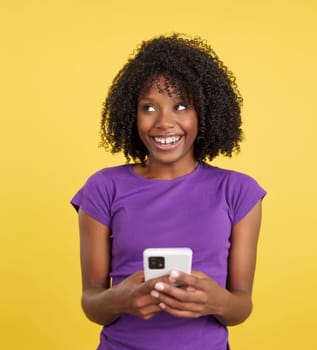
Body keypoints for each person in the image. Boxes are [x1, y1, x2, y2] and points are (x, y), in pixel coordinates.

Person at [71, 34, 266, 350]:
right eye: (149, 107)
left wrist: (216, 302)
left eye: (180, 106)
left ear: (203, 112)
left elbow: (241, 305)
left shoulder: (238, 192)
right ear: (131, 115)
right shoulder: (102, 189)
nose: (164, 122)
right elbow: (92, 302)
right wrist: (121, 299)